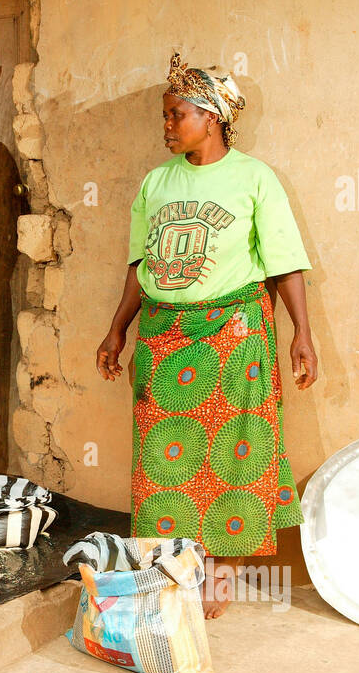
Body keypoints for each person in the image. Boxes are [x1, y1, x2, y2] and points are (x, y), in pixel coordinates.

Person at [96, 52, 318, 619]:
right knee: (164, 458)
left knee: (235, 451)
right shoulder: (156, 182)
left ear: (212, 117)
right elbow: (138, 266)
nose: (166, 126)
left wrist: (302, 334)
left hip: (234, 334)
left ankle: (223, 570)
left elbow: (283, 264)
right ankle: (177, 564)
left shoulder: (254, 177)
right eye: (165, 116)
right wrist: (116, 330)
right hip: (164, 335)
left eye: (177, 115)